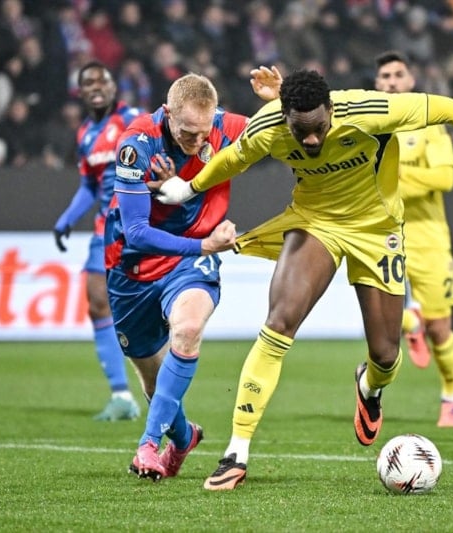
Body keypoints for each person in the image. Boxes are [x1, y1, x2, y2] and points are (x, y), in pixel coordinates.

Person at [153, 69, 453, 490]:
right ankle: (236, 454)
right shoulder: (268, 127)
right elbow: (233, 159)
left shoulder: (369, 111)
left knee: (386, 354)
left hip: (377, 230)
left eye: (319, 128)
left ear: (331, 109)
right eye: (300, 131)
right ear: (284, 116)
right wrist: (186, 189)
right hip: (315, 223)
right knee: (279, 322)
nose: (311, 140)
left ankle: (369, 386)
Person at [108, 69, 282, 480]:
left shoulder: (225, 127)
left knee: (187, 330)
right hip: (133, 267)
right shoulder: (137, 144)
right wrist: (204, 245)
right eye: (188, 133)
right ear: (167, 113)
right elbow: (136, 232)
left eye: (205, 132)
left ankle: (147, 445)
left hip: (190, 262)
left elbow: (288, 132)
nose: (199, 141)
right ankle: (184, 438)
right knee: (154, 383)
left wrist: (278, 100)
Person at [374, 50, 453, 428]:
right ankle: (412, 324)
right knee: (380, 322)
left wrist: (394, 179)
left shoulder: (429, 125)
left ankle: (451, 395)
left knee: (440, 327)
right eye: (385, 76)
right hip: (381, 235)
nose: (392, 82)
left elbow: (444, 179)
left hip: (427, 237)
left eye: (398, 75)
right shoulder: (367, 127)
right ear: (376, 84)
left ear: (411, 81)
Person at [52, 61, 142, 421]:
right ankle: (121, 396)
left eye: (101, 80)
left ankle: (163, 388)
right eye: (88, 83)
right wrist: (67, 217)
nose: (95, 87)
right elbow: (90, 185)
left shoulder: (134, 120)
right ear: (81, 92)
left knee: (149, 311)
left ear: (113, 86)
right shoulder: (86, 133)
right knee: (97, 302)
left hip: (139, 224)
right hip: (105, 227)